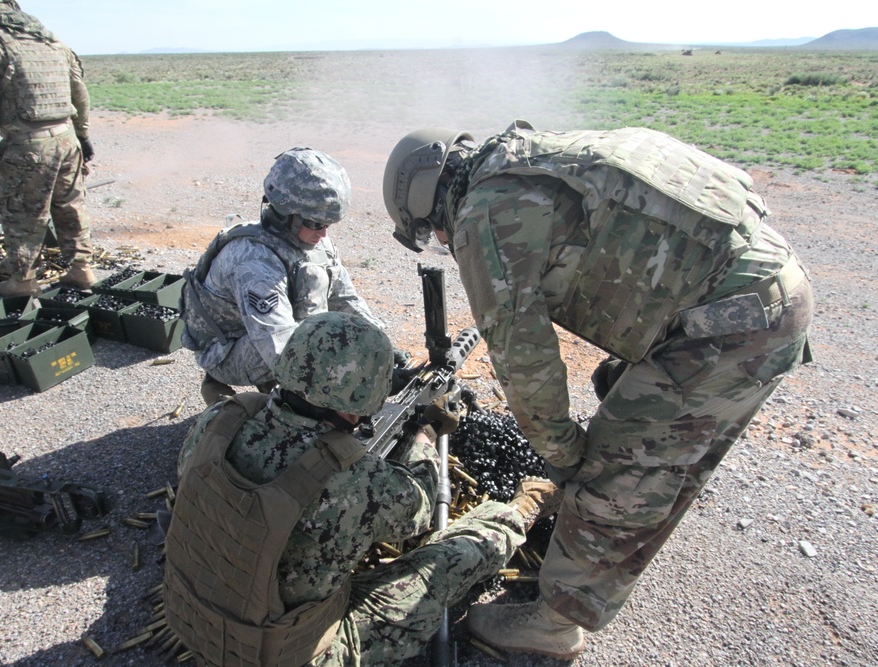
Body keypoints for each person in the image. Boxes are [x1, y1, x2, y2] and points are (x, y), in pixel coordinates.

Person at [383, 120, 814, 659]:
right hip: (766, 292)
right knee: (642, 431)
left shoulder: (481, 215)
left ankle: (553, 623)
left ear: (427, 201)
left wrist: (565, 456)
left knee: (614, 473)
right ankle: (593, 556)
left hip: (730, 326)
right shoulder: (525, 157)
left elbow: (525, 361)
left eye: (432, 233)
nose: (442, 242)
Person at [163, 311, 560, 666]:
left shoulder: (219, 420)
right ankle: (523, 508)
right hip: (279, 654)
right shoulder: (356, 485)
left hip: (192, 617)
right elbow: (421, 507)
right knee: (450, 559)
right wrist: (424, 435)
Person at [181, 148, 398, 406]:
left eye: (328, 224)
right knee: (321, 351)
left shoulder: (311, 240)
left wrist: (383, 350)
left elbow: (345, 298)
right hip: (227, 349)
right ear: (286, 214)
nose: (324, 234)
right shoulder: (254, 263)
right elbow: (281, 349)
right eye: (316, 224)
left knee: (334, 328)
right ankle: (236, 396)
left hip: (266, 333)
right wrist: (342, 389)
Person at [0, 0, 96, 297]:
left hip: (28, 145)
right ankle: (82, 269)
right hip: (66, 138)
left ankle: (23, 282)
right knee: (70, 207)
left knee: (23, 215)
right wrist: (83, 136)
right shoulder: (48, 37)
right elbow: (79, 91)